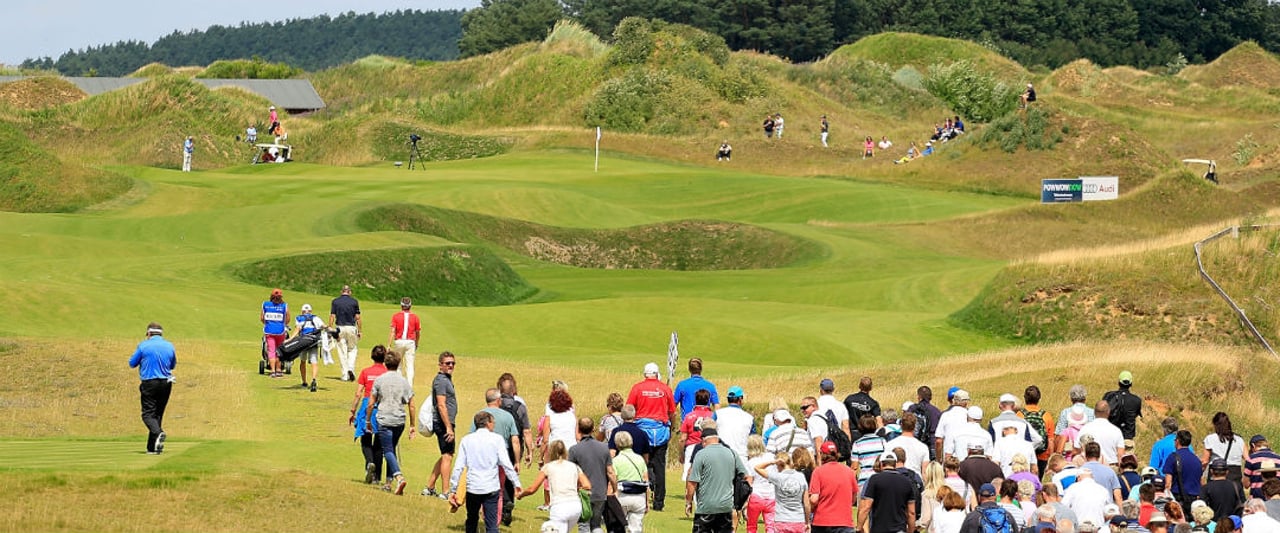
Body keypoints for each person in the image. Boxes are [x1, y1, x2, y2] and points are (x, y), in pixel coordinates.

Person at [450, 411, 521, 533]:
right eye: (493, 422)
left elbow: (458, 467)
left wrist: (453, 489)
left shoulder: (466, 440)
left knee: (471, 520)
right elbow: (506, 464)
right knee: (492, 524)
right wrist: (516, 483)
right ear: (488, 423)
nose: (494, 425)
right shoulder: (497, 439)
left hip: (472, 487)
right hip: (491, 487)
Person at [626, 362, 677, 511]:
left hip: (642, 432)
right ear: (657, 374)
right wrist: (672, 427)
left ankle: (644, 493)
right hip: (661, 431)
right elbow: (672, 412)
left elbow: (629, 409)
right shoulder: (665, 389)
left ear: (645, 374)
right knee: (660, 466)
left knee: (642, 464)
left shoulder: (637, 388)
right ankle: (659, 502)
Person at [366, 350, 415, 495]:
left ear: (385, 363)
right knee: (391, 449)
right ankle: (388, 483)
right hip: (399, 420)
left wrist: (368, 420)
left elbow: (371, 403)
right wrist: (412, 425)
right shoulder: (404, 381)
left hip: (384, 419)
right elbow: (411, 404)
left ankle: (399, 477)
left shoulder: (380, 380)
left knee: (387, 450)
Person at [519, 440, 591, 533]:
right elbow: (587, 485)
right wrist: (575, 488)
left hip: (559, 507)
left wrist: (521, 495)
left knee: (548, 529)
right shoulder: (574, 466)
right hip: (575, 506)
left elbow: (532, 489)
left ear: (550, 452)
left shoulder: (548, 467)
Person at [686, 427, 748, 533]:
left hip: (706, 507)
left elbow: (692, 482)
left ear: (704, 440)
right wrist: (743, 499)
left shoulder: (701, 454)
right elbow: (746, 477)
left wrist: (689, 502)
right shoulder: (732, 453)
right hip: (726, 507)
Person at [130, 322, 176, 454]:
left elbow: (132, 363)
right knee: (158, 414)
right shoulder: (169, 345)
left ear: (149, 334)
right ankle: (152, 448)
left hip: (149, 383)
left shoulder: (144, 345)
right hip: (166, 383)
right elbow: (172, 365)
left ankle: (158, 432)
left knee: (147, 414)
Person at [350, 345, 389, 485]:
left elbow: (358, 393)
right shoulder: (387, 373)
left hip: (367, 405)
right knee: (379, 442)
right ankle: (377, 477)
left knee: (365, 439)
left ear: (372, 356)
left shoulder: (366, 372)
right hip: (383, 406)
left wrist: (353, 411)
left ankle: (370, 463)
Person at [423, 351, 459, 498]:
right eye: (447, 363)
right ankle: (445, 491)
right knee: (447, 456)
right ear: (440, 365)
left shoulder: (446, 379)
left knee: (446, 455)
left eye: (452, 363)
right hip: (444, 423)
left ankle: (430, 486)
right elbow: (441, 405)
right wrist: (449, 427)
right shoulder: (441, 381)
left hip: (446, 423)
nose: (450, 366)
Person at [570, 417, 615, 533]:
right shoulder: (604, 448)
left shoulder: (574, 450)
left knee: (584, 524)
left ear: (579, 430)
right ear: (593, 429)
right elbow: (610, 471)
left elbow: (571, 473)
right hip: (600, 492)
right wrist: (614, 488)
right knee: (596, 524)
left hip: (582, 493)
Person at [860, 451, 919, 533]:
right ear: (895, 464)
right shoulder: (906, 482)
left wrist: (859, 527)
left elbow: (866, 507)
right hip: (899, 529)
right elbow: (911, 512)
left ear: (881, 464)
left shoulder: (874, 480)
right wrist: (911, 530)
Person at [809, 440, 859, 533]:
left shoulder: (818, 472)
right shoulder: (849, 472)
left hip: (822, 522)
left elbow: (814, 499)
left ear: (822, 454)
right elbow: (854, 498)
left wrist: (809, 509)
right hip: (844, 521)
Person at [757, 448, 809, 533]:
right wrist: (807, 521)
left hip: (781, 519)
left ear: (779, 464)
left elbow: (757, 468)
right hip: (798, 519)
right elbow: (806, 504)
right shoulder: (801, 476)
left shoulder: (777, 477)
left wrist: (772, 462)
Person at [613, 431, 649, 533]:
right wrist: (647, 502)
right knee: (636, 528)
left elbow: (613, 481)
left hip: (622, 496)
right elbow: (646, 481)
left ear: (617, 444)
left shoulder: (615, 460)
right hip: (639, 497)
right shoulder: (640, 459)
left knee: (618, 527)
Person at [329, 285, 362, 382]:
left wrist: (330, 327)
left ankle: (344, 375)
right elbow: (358, 317)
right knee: (352, 349)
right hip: (351, 327)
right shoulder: (354, 302)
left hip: (340, 328)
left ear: (342, 291)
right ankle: (350, 368)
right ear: (349, 292)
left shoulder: (335, 301)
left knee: (341, 351)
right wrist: (360, 330)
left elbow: (332, 316)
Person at [745, 435, 778, 533]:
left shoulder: (750, 462)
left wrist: (745, 503)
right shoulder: (771, 457)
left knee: (751, 526)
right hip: (772, 495)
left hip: (756, 495)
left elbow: (749, 483)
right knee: (770, 526)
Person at [1201, 412, 1246, 484]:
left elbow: (1205, 461)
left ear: (1216, 425)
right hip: (1235, 474)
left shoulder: (1210, 438)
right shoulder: (1239, 439)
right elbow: (1247, 458)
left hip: (1216, 472)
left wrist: (1200, 473)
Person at [1164, 430, 1203, 511]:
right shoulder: (1196, 460)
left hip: (1177, 497)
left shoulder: (1172, 457)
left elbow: (1168, 483)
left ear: (1177, 441)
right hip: (1193, 498)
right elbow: (1200, 480)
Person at [1079, 402, 1125, 466]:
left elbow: (1077, 449)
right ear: (1108, 412)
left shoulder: (1085, 428)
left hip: (1089, 466)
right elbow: (1120, 454)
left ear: (1094, 412)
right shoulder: (1116, 430)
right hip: (1111, 466)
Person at [292, 303, 325, 392]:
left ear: (302, 311)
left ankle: (304, 381)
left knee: (303, 361)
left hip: (303, 343)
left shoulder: (299, 318)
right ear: (310, 311)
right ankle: (314, 379)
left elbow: (297, 329)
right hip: (313, 342)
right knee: (314, 362)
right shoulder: (316, 318)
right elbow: (323, 326)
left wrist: (290, 339)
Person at [388, 297, 421, 386]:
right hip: (410, 342)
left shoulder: (396, 316)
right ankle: (409, 386)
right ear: (410, 306)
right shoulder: (415, 317)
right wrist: (417, 343)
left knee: (398, 364)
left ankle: (399, 384)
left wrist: (389, 344)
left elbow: (392, 331)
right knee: (409, 365)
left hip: (399, 341)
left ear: (401, 306)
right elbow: (418, 333)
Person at [1102, 372, 1142, 441]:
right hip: (1127, 437)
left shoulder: (1109, 396)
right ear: (1131, 384)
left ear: (1119, 383)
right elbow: (1135, 414)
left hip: (1110, 436)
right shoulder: (1136, 400)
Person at [260, 288, 289, 378]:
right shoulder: (284, 306)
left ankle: (272, 371)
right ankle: (279, 370)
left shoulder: (265, 304)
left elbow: (262, 318)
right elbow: (287, 319)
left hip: (269, 330)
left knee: (271, 351)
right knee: (279, 351)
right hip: (280, 331)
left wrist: (268, 323)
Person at [852, 414, 887, 484]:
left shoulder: (857, 444)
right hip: (881, 479)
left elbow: (854, 468)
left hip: (864, 480)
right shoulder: (882, 441)